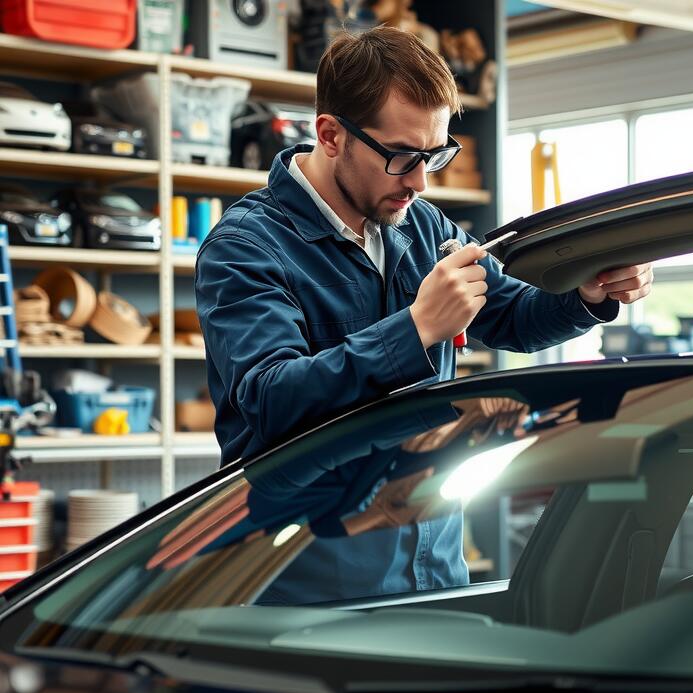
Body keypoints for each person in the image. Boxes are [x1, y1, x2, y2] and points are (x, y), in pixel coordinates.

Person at [194, 26, 653, 604]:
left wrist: (588, 294)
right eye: (401, 157)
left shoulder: (421, 225)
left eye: (434, 155)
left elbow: (515, 316)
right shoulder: (246, 247)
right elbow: (269, 399)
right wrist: (415, 330)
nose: (420, 181)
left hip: (434, 569)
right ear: (331, 135)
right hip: (313, 586)